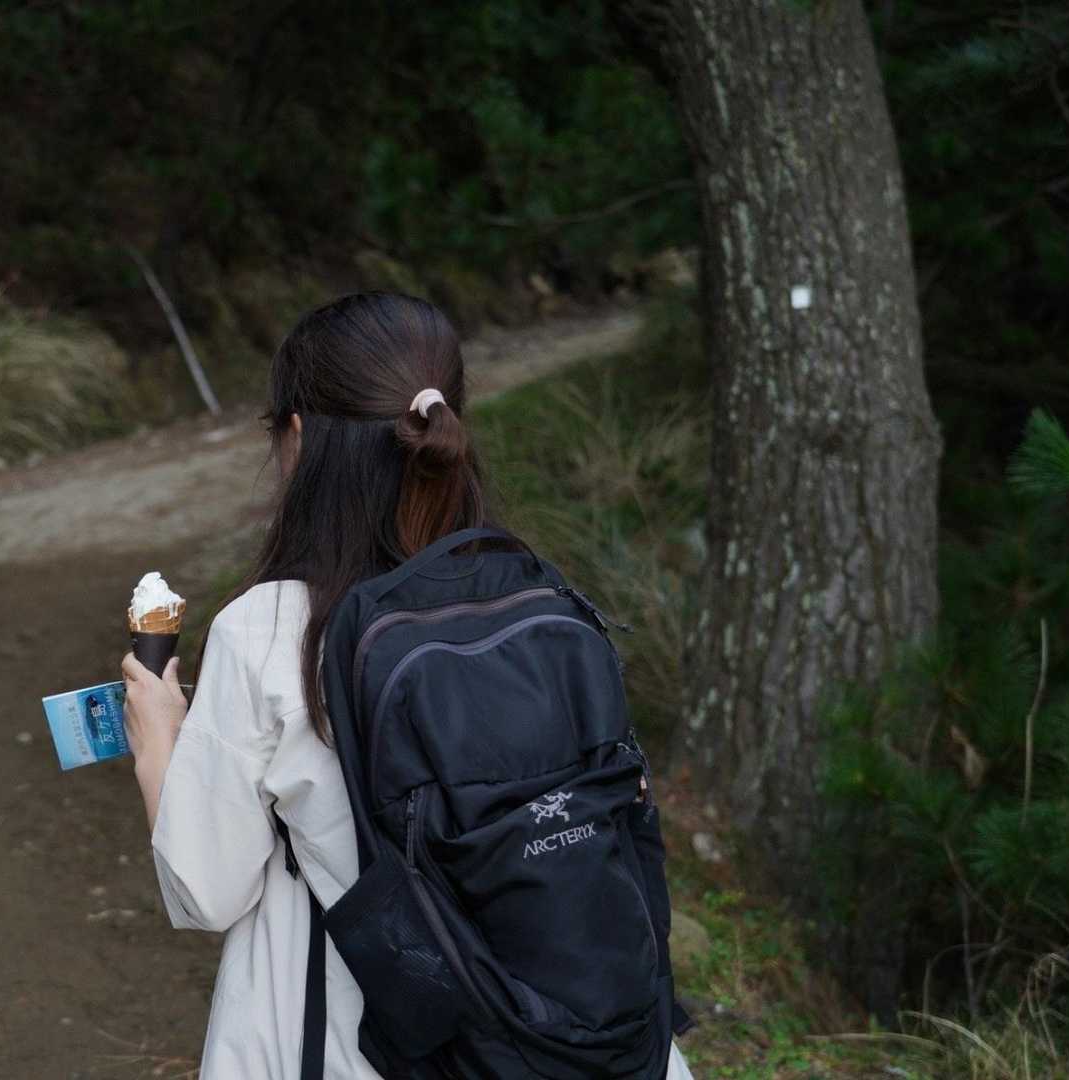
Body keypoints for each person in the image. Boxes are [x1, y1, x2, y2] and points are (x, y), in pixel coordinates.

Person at [120, 293, 694, 1079]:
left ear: (298, 438)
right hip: (589, 1035)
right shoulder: (536, 595)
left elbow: (208, 892)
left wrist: (157, 737)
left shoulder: (270, 629)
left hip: (377, 1050)